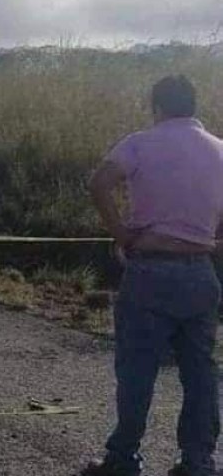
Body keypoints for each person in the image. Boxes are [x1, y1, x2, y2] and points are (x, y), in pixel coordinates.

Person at [81, 75, 223, 476]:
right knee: (200, 372)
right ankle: (198, 461)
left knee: (137, 369)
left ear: (157, 107)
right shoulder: (219, 150)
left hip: (150, 270)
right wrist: (211, 241)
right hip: (201, 273)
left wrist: (122, 233)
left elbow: (99, 183)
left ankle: (124, 456)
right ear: (193, 106)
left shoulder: (141, 142)